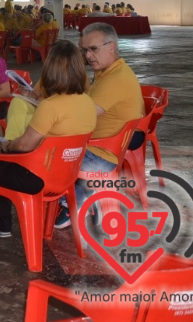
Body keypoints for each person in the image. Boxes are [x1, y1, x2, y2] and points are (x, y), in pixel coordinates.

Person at [0, 41, 96, 243]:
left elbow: (24, 146)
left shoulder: (50, 106)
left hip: (38, 176)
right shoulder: (87, 102)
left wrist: (6, 145)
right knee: (4, 163)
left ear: (50, 69)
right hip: (67, 175)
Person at [54, 23, 145, 228]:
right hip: (101, 145)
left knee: (46, 158)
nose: (88, 55)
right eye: (85, 50)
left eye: (93, 49)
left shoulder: (115, 79)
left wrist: (51, 113)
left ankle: (76, 200)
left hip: (100, 155)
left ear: (111, 47)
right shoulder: (108, 71)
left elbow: (82, 117)